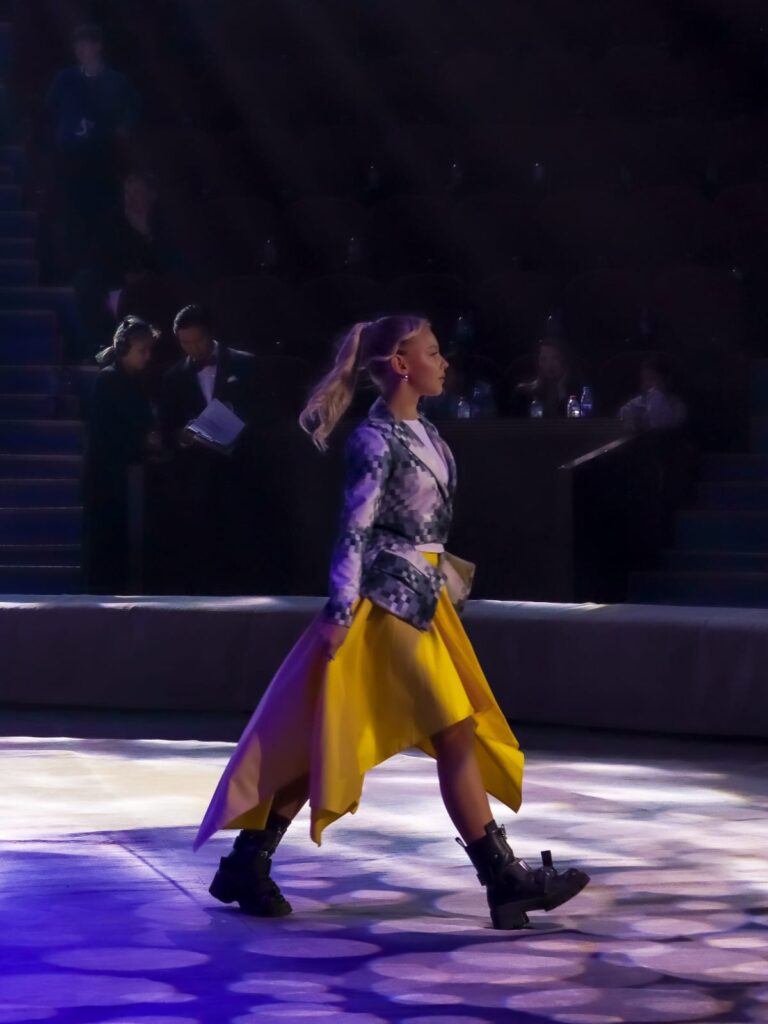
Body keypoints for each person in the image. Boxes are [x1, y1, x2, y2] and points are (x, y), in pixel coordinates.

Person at [192, 315, 590, 930]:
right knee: (452, 730)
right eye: (432, 352)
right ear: (401, 366)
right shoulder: (375, 440)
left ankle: (248, 861)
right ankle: (503, 879)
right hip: (383, 606)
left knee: (331, 734)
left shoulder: (427, 433)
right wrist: (339, 610)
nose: (445, 361)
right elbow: (354, 530)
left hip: (422, 603)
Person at [156, 304, 271, 594]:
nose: (193, 349)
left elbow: (265, 414)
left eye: (199, 341)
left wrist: (240, 424)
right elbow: (167, 430)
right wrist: (183, 437)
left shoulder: (246, 365)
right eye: (185, 343)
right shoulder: (172, 378)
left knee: (245, 555)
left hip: (242, 474)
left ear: (212, 333)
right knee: (203, 560)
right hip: (198, 482)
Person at [45, 24, 139, 266]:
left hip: (101, 156)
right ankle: (71, 265)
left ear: (98, 47)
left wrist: (123, 129)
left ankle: (102, 264)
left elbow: (132, 109)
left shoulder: (115, 81)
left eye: (85, 44)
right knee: (71, 211)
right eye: (77, 45)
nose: (80, 49)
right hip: (69, 156)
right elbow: (50, 107)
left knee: (100, 210)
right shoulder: (65, 78)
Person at [83, 316, 160, 594]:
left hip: (122, 473)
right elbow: (109, 433)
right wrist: (145, 440)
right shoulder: (109, 380)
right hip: (107, 477)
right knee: (106, 545)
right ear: (124, 348)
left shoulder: (134, 379)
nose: (148, 356)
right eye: (142, 350)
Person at [512, 338, 584, 417]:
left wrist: (561, 390)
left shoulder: (579, 389)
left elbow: (571, 420)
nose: (549, 364)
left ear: (563, 360)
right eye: (543, 359)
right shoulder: (525, 391)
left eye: (554, 358)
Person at [619, 354, 687, 432]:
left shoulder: (677, 406)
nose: (647, 384)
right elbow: (624, 411)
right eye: (644, 380)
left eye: (651, 379)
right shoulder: (642, 399)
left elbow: (668, 425)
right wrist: (632, 419)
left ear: (666, 380)